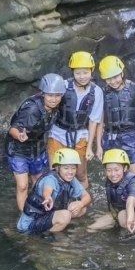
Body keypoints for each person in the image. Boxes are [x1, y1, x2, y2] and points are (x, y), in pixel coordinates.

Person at [6, 73, 65, 212]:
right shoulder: (32, 109)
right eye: (50, 95)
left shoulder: (57, 107)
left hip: (38, 149)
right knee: (22, 186)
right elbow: (12, 129)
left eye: (57, 95)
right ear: (43, 93)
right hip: (18, 150)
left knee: (39, 182)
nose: (54, 99)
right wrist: (19, 135)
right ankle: (25, 215)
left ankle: (37, 207)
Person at [46, 51, 103, 191]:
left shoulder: (97, 92)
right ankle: (57, 203)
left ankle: (81, 202)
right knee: (55, 170)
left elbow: (94, 121)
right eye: (78, 73)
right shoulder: (63, 85)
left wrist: (90, 147)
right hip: (58, 133)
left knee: (80, 173)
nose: (82, 76)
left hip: (80, 135)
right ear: (72, 72)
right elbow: (49, 103)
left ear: (92, 71)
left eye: (85, 72)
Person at [16, 148, 92, 235]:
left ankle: (60, 225)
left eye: (73, 168)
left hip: (47, 215)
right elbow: (47, 190)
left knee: (82, 209)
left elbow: (87, 197)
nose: (70, 172)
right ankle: (47, 236)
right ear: (57, 168)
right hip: (29, 225)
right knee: (65, 215)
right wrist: (48, 197)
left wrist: (80, 204)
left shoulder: (71, 179)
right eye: (66, 168)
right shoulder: (50, 179)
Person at [87, 149, 135, 233]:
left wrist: (129, 219)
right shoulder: (110, 180)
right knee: (91, 229)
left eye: (116, 170)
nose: (113, 174)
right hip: (119, 214)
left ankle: (132, 237)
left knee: (123, 215)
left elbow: (130, 201)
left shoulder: (134, 182)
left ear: (125, 168)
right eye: (109, 170)